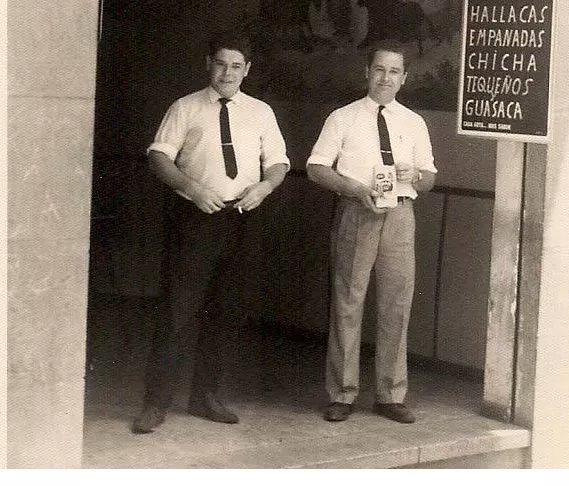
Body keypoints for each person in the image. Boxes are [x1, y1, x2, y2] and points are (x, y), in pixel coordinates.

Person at [132, 33, 290, 434]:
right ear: (208, 65)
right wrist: (192, 188)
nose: (227, 73)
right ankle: (155, 403)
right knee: (178, 311)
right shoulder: (185, 107)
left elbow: (278, 162)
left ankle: (205, 397)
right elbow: (159, 157)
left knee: (228, 311)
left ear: (247, 70)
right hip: (197, 217)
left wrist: (265, 187)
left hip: (243, 218)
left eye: (236, 66)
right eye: (221, 64)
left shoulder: (261, 112)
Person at [306, 39, 436, 424]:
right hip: (356, 212)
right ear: (367, 72)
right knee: (348, 301)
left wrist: (416, 175)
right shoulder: (342, 118)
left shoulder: (414, 122)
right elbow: (316, 167)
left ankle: (390, 395)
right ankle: (342, 393)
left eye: (394, 71)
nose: (385, 78)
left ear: (404, 78)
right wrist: (351, 187)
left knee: (397, 302)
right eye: (379, 69)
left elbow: (430, 177)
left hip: (400, 215)